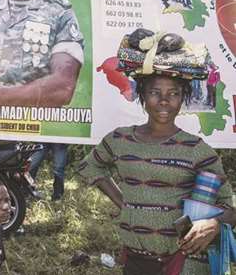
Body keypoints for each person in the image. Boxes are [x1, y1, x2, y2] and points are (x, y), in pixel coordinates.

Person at [78, 74, 235, 274]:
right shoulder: (120, 139)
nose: (164, 100)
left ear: (183, 98)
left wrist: (214, 223)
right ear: (142, 95)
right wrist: (125, 203)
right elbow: (89, 166)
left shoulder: (197, 149)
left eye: (174, 93)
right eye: (154, 92)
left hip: (184, 263)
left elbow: (230, 210)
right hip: (135, 261)